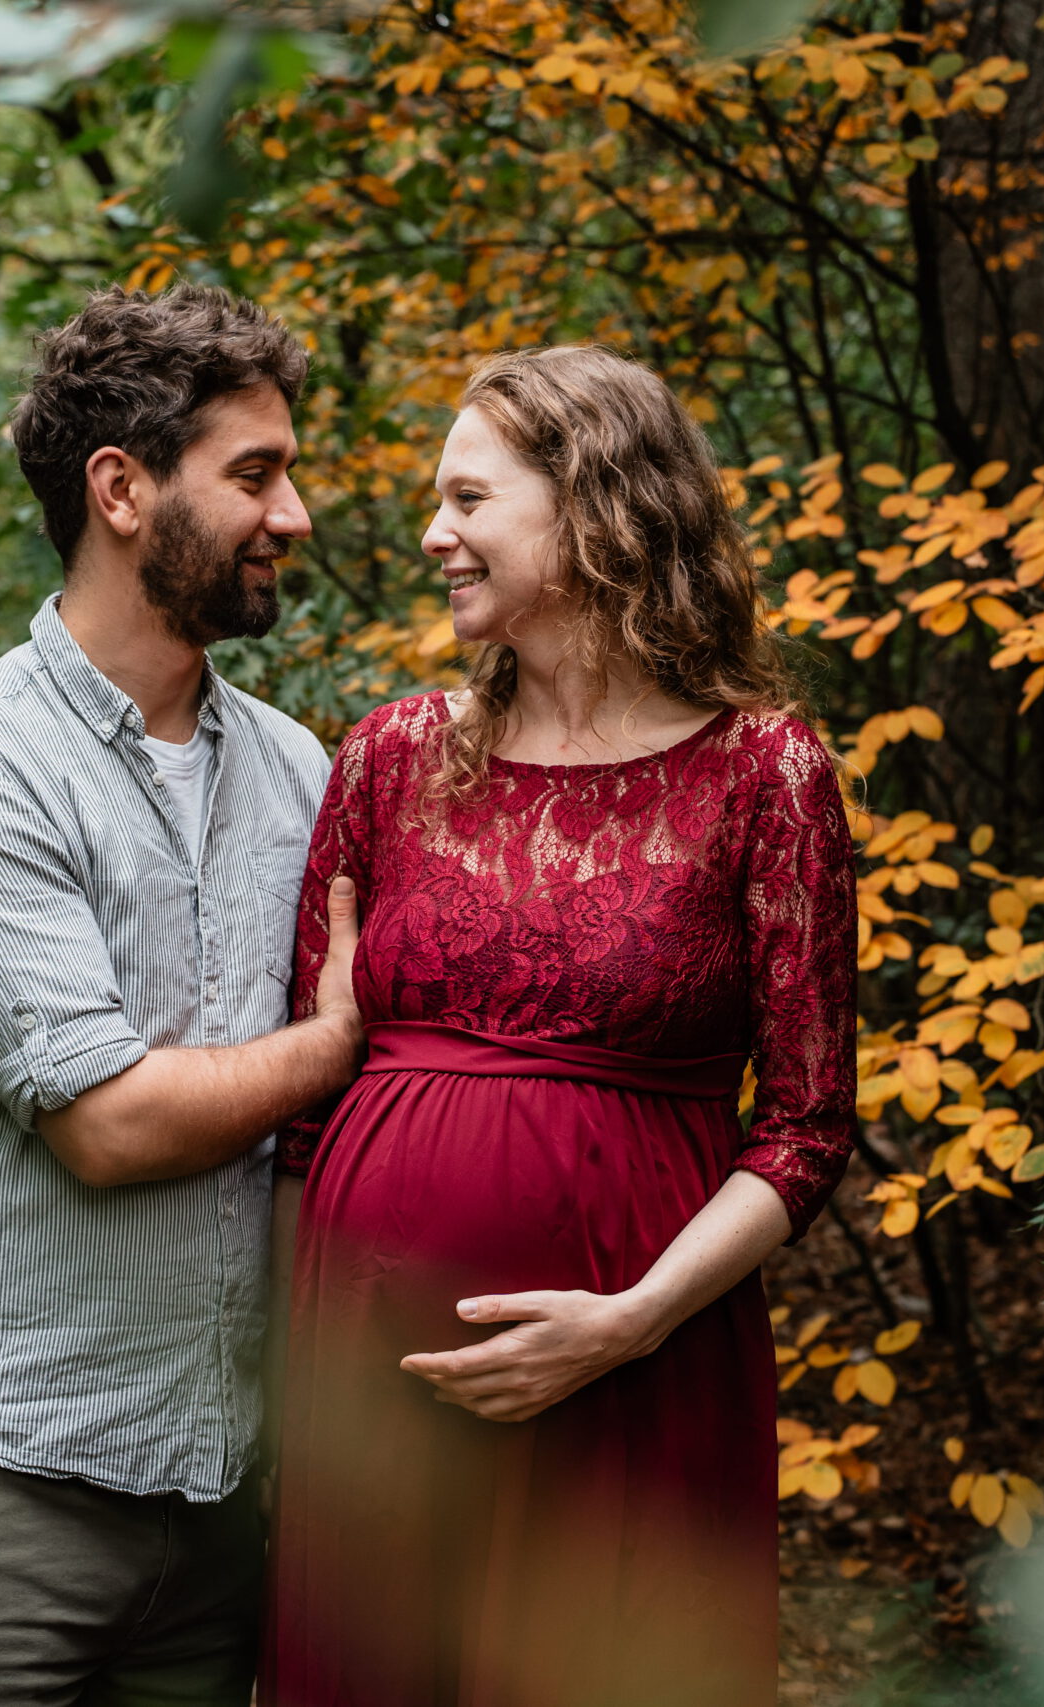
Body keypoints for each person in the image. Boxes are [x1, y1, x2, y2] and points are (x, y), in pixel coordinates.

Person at [263, 345, 859, 1707]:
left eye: (469, 498)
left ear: (594, 509)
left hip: (631, 1373)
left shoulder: (765, 773)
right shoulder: (388, 758)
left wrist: (631, 1322)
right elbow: (311, 1105)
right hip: (368, 1385)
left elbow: (809, 1128)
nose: (435, 534)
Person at [0, 285, 366, 1707]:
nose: (295, 512)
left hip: (217, 1507)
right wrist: (337, 1041)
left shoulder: (301, 774)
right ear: (120, 491)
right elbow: (113, 1125)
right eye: (254, 474)